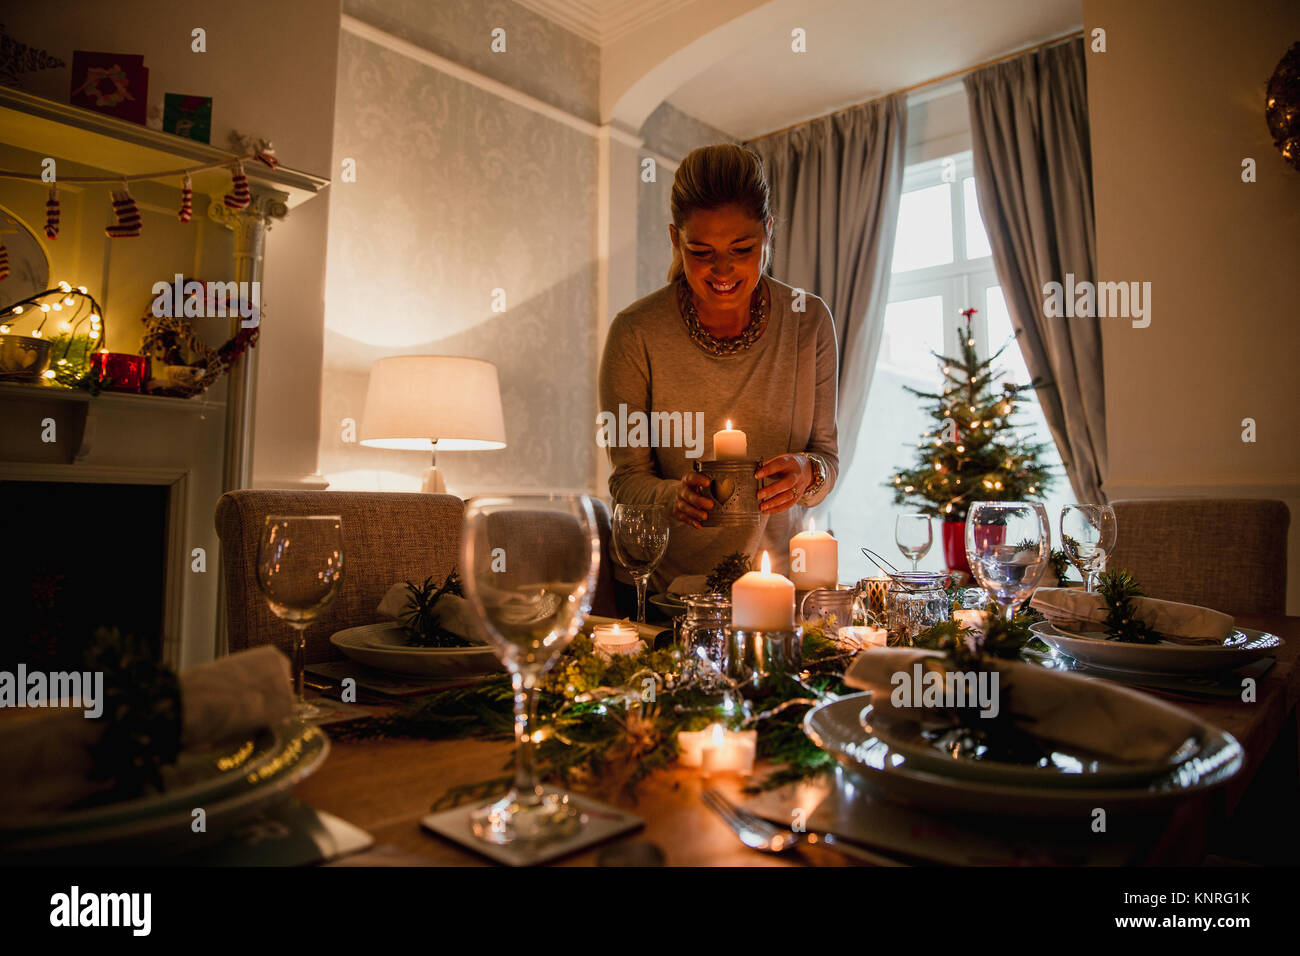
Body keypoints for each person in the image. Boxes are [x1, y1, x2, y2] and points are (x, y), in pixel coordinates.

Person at [598, 143, 840, 608]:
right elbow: (626, 482)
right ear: (675, 239)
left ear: (768, 232)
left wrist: (808, 473)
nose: (723, 271)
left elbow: (826, 459)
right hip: (662, 592)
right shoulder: (636, 333)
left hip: (775, 590)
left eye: (742, 249)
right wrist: (673, 498)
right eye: (701, 251)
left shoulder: (807, 322)